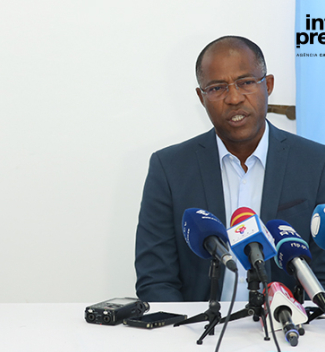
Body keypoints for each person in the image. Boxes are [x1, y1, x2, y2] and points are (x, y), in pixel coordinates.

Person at [134, 36, 325, 302]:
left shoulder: (317, 163)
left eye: (246, 83)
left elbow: (322, 272)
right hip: (200, 331)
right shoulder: (169, 169)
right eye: (217, 88)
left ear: (268, 85)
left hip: (291, 329)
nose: (234, 98)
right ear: (201, 98)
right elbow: (155, 278)